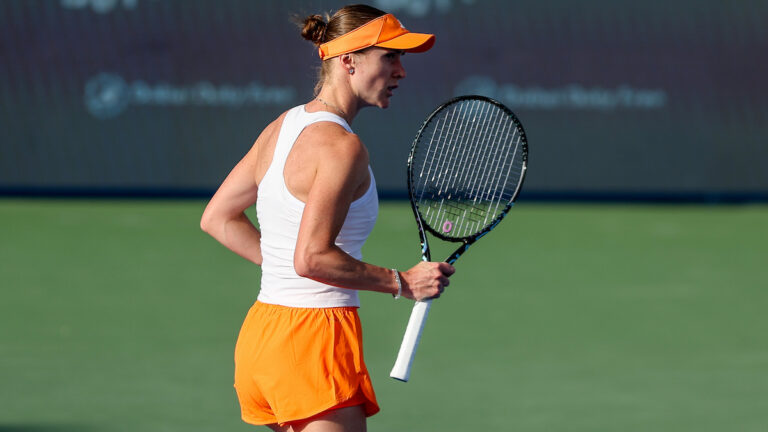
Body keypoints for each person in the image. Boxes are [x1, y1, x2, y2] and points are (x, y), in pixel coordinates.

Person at [200, 4, 454, 431]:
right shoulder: (342, 147)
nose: (401, 72)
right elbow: (312, 259)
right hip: (313, 341)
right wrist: (401, 282)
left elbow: (218, 218)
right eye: (389, 57)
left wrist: (282, 265)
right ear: (349, 61)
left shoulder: (283, 126)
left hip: (264, 338)